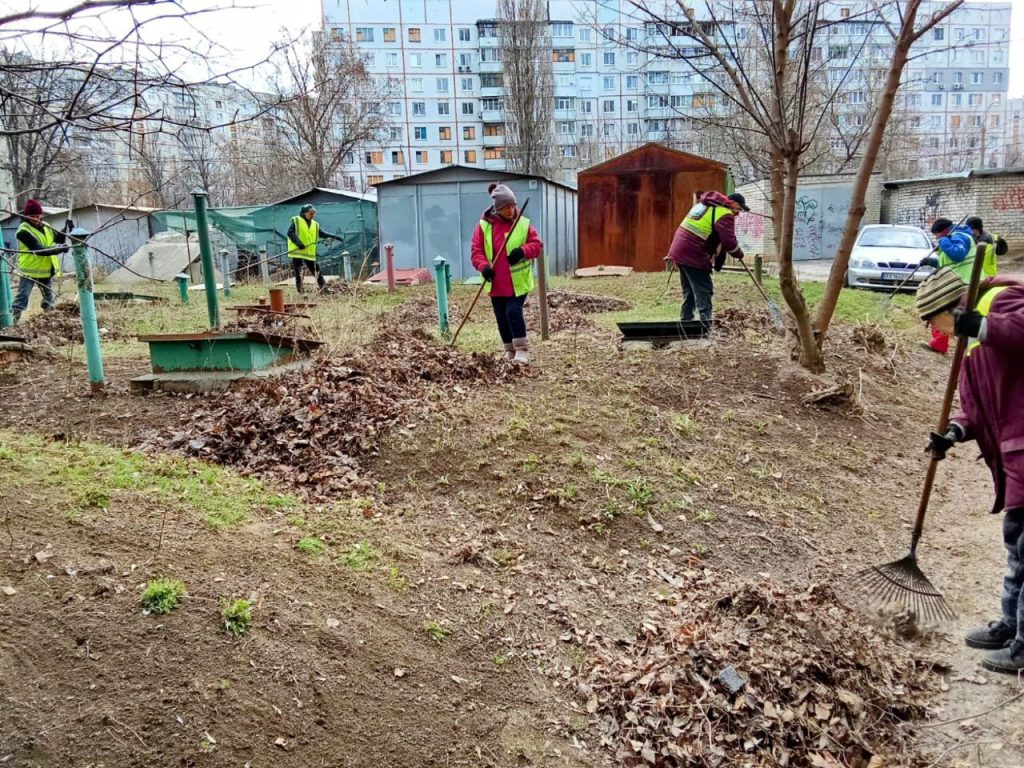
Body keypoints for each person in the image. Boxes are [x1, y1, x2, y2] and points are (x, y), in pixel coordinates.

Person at [917, 267, 1024, 673]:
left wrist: (984, 325)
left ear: (949, 310)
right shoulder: (972, 344)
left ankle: (1023, 645)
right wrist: (956, 431)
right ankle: (1011, 626)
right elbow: (977, 405)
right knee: (1017, 545)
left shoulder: (999, 303)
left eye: (932, 320)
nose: (934, 329)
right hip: (1015, 456)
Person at [470, 183, 543, 364]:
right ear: (497, 209)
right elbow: (476, 251)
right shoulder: (484, 226)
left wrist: (522, 251)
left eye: (512, 206)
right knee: (501, 317)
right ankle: (510, 350)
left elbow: (537, 245)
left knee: (513, 311)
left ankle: (522, 349)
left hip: (517, 283)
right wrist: (484, 267)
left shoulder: (523, 224)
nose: (511, 211)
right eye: (506, 208)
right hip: (495, 282)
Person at [664, 191, 748, 327]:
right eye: (738, 208)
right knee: (704, 289)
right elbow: (729, 242)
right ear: (730, 202)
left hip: (680, 250)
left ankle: (686, 323)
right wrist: (739, 253)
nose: (738, 213)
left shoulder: (704, 206)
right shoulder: (724, 213)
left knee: (690, 290)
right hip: (693, 252)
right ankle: (706, 326)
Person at [922, 218, 977, 355]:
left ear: (944, 231)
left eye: (937, 234)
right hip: (956, 281)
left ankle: (942, 344)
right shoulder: (953, 237)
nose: (937, 237)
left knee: (939, 310)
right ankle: (965, 343)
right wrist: (930, 262)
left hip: (962, 282)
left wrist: (943, 241)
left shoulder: (960, 236)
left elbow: (957, 255)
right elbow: (948, 262)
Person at [12, 199, 70, 324]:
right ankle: (12, 323)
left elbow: (59, 239)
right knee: (22, 298)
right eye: (32, 216)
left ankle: (50, 322)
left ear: (41, 215)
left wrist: (66, 228)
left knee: (49, 298)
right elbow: (37, 249)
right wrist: (58, 250)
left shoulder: (46, 226)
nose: (36, 219)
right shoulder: (23, 231)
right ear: (26, 216)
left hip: (45, 270)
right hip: (29, 271)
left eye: (38, 216)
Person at [287, 204, 343, 293]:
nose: (312, 215)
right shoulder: (297, 220)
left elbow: (322, 234)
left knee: (317, 271)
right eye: (310, 213)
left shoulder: (315, 224)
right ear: (304, 213)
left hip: (309, 252)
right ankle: (301, 291)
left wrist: (335, 237)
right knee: (299, 272)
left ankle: (324, 289)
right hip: (298, 251)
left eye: (313, 213)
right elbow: (290, 233)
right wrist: (299, 243)